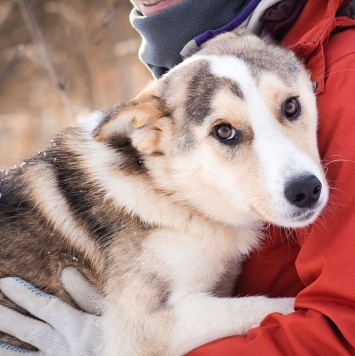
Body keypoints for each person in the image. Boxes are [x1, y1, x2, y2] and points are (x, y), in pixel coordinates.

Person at [1, 0, 355, 354]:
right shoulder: (169, 124)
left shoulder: (338, 69)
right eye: (227, 133)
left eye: (290, 109)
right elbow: (152, 330)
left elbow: (338, 329)